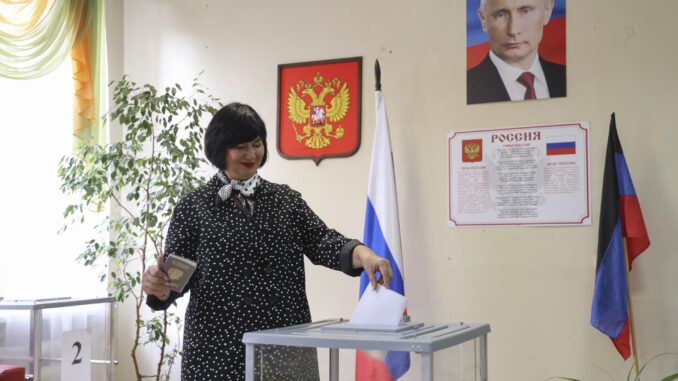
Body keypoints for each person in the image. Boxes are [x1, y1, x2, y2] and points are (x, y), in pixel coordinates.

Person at [141, 102, 393, 381]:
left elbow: (322, 241)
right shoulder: (194, 207)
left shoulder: (286, 200)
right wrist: (160, 289)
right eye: (241, 147)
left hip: (286, 346)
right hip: (217, 354)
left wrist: (362, 253)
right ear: (219, 149)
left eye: (256, 144)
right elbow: (174, 277)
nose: (251, 154)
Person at [467, 0, 566, 104]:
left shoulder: (567, 78)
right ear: (483, 19)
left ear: (547, 10)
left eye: (526, 11)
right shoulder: (464, 88)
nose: (513, 30)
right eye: (500, 14)